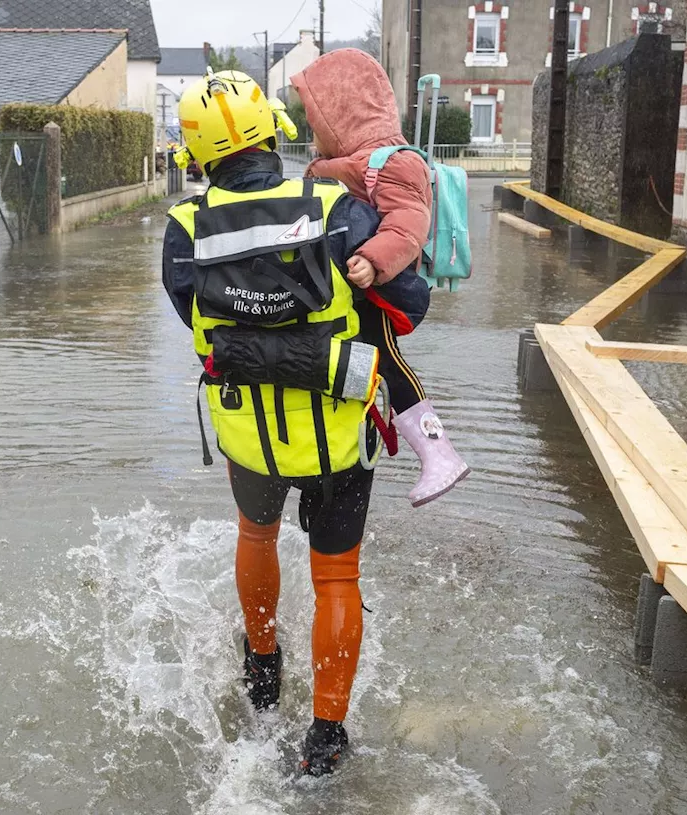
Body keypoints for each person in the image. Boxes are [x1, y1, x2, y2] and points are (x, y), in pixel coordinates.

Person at [162, 71, 431, 776]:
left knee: (256, 532)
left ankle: (261, 660)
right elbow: (410, 300)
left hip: (249, 434)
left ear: (196, 155)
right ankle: (327, 735)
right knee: (336, 577)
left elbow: (198, 319)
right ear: (272, 128)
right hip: (339, 428)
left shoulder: (183, 229)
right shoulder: (341, 208)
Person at [290, 49, 469, 507]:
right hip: (348, 291)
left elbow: (410, 223)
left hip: (379, 290)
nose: (314, 136)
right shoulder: (348, 162)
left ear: (340, 115)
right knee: (361, 368)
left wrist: (373, 260)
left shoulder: (393, 162)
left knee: (387, 363)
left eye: (317, 124)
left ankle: (439, 454)